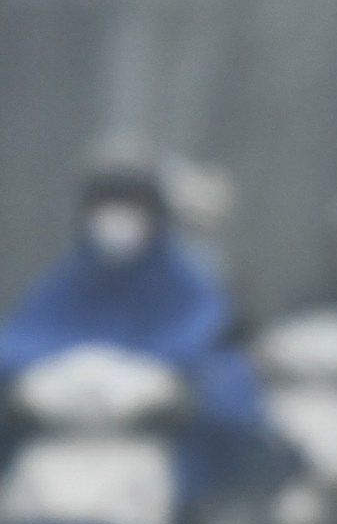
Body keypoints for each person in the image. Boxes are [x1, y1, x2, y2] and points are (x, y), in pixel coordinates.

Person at [0, 149, 288, 502]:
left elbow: (213, 352)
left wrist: (182, 390)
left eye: (132, 206)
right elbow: (22, 340)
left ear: (156, 215)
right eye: (105, 205)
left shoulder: (186, 283)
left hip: (156, 453)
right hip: (58, 446)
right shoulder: (67, 280)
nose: (117, 219)